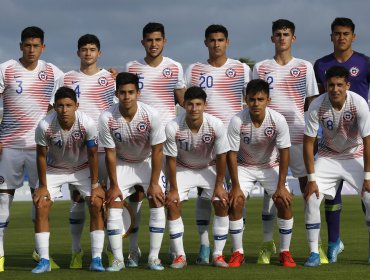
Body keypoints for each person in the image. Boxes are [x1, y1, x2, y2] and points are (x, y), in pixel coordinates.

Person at [252, 19, 319, 264]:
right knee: (272, 192)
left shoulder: (304, 66)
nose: (282, 38)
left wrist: (313, 132)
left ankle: (315, 246)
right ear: (272, 38)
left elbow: (312, 103)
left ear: (294, 38)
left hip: (298, 134)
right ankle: (267, 245)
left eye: (286, 34)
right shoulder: (260, 67)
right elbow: (253, 99)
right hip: (268, 137)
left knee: (308, 189)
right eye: (278, 34)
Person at [184, 24, 251, 264]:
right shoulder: (194, 70)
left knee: (233, 197)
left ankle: (235, 250)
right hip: (205, 140)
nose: (216, 44)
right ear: (206, 43)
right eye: (212, 40)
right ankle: (204, 246)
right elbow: (183, 100)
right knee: (205, 196)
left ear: (227, 42)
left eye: (220, 40)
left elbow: (250, 101)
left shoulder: (242, 69)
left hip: (233, 141)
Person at [0, 26, 63, 272]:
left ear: (43, 47)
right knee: (3, 201)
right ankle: (0, 257)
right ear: (20, 46)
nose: (31, 50)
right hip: (9, 147)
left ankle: (41, 254)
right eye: (27, 45)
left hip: (39, 148)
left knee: (41, 202)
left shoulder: (53, 72)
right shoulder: (5, 69)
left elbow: (60, 106)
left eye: (36, 46)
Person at [51, 34, 116, 269]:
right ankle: (76, 251)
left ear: (99, 53)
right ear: (77, 52)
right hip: (76, 148)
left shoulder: (110, 78)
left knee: (103, 202)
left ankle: (108, 251)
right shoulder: (66, 78)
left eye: (92, 49)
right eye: (84, 49)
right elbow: (55, 108)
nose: (88, 53)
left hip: (102, 146)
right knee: (78, 199)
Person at [125, 22, 186, 267]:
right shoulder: (132, 67)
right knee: (135, 197)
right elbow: (122, 96)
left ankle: (171, 252)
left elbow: (183, 101)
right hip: (136, 143)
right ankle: (132, 251)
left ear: (164, 41)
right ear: (143, 42)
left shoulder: (175, 67)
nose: (153, 44)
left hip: (165, 143)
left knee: (165, 197)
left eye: (158, 40)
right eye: (149, 40)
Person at [313, 17, 370, 263]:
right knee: (329, 196)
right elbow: (316, 100)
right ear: (331, 36)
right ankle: (334, 242)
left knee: (366, 194)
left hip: (357, 137)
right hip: (329, 138)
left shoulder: (366, 63)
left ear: (353, 36)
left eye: (346, 33)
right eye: (337, 33)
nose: (341, 37)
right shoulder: (321, 64)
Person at [31, 86, 105, 273]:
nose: (64, 110)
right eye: (60, 106)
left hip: (81, 168)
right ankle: (44, 261)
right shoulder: (44, 125)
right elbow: (40, 156)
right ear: (54, 107)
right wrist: (42, 186)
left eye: (69, 105)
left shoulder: (87, 123)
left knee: (97, 202)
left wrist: (95, 185)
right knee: (41, 204)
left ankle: (96, 259)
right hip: (54, 169)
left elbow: (93, 154)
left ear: (76, 106)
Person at [303, 66, 370, 266]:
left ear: (347, 85)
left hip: (354, 154)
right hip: (328, 156)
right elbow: (308, 143)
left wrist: (367, 177)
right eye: (331, 85)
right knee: (311, 198)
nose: (335, 89)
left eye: (340, 85)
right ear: (325, 86)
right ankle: (314, 253)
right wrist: (311, 180)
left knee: (369, 196)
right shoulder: (316, 105)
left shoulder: (359, 103)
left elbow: (368, 141)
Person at [99, 72, 167, 271]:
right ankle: (118, 259)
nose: (127, 97)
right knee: (114, 204)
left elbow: (158, 150)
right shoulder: (107, 117)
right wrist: (114, 185)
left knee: (157, 199)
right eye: (122, 93)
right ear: (116, 93)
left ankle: (154, 257)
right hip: (122, 163)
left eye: (131, 92)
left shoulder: (151, 114)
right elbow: (110, 153)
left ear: (138, 92)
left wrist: (154, 183)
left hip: (146, 163)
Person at [227, 79, 296, 267]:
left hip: (270, 165)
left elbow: (284, 153)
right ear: (245, 99)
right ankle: (237, 252)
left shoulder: (277, 120)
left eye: (260, 99)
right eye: (252, 99)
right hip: (245, 166)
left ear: (268, 100)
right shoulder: (237, 120)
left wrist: (281, 186)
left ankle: (284, 252)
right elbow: (231, 154)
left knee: (284, 201)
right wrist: (235, 186)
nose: (256, 103)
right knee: (236, 201)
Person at [164, 86, 230, 268]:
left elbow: (221, 156)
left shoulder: (216, 125)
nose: (194, 109)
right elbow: (170, 159)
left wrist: (219, 186)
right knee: (172, 203)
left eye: (198, 104)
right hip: (183, 168)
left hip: (209, 168)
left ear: (205, 105)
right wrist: (173, 189)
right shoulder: (172, 126)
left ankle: (217, 254)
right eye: (190, 104)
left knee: (222, 201)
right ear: (184, 105)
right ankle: (180, 256)